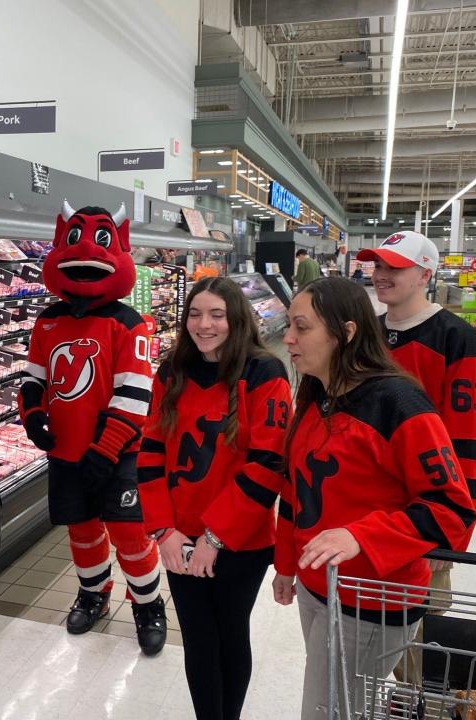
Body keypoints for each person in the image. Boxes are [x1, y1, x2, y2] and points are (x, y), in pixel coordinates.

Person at [273, 277, 475, 720]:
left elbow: (452, 509)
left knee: (329, 712)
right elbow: (296, 490)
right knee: (336, 703)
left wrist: (362, 535)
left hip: (371, 598)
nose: (288, 338)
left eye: (301, 327)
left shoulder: (398, 404)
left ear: (345, 333)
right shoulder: (316, 395)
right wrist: (286, 564)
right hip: (319, 586)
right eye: (289, 325)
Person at [137, 277, 292, 720]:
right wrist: (163, 531)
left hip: (240, 541)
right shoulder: (172, 373)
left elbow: (268, 463)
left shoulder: (263, 373)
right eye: (195, 314)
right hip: (179, 538)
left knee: (229, 633)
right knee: (198, 639)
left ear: (237, 319)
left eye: (217, 315)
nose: (203, 325)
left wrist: (215, 536)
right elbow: (150, 451)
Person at [18, 201, 167, 655]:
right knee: (81, 531)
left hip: (119, 456)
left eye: (101, 240)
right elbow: (33, 376)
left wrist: (105, 450)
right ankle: (93, 593)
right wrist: (32, 416)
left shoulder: (129, 324)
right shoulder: (48, 320)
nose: (84, 255)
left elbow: (135, 394)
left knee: (130, 534)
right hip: (65, 451)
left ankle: (147, 604)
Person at [357, 230, 476, 683]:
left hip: (425, 520)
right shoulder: (368, 336)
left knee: (421, 648)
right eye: (378, 265)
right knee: (365, 649)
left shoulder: (458, 339)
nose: (381, 275)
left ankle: (424, 707)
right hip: (366, 518)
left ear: (425, 273)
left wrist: (454, 532)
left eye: (395, 266)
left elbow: (470, 445)